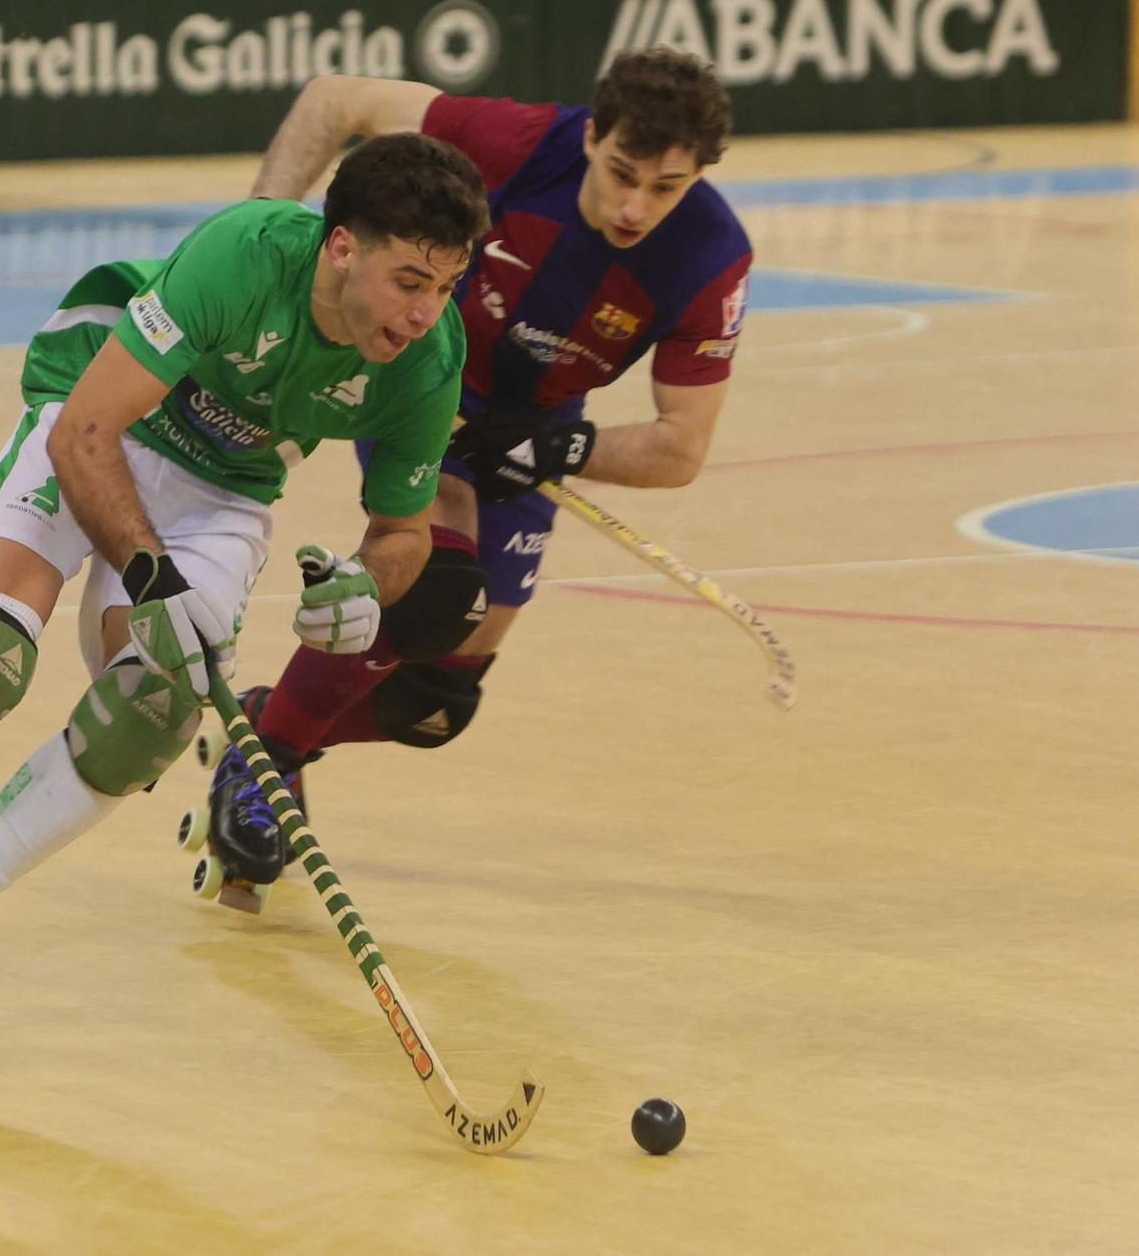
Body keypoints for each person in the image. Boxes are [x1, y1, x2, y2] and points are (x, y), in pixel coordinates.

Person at [0, 132, 491, 1039]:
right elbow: (86, 433)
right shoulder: (245, 257)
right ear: (343, 246)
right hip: (99, 405)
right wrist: (150, 575)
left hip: (223, 492)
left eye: (447, 287)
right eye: (410, 282)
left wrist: (363, 585)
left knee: (151, 713)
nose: (426, 313)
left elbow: (402, 533)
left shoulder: (428, 358)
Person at [207, 47, 752, 870]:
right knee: (440, 590)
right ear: (592, 135)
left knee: (435, 702)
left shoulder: (712, 256)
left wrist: (554, 446)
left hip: (534, 421)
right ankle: (267, 763)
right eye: (620, 172)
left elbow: (680, 447)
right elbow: (335, 98)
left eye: (666, 187)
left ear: (701, 176)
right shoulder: (522, 143)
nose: (636, 206)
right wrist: (252, 233)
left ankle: (268, 714)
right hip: (417, 367)